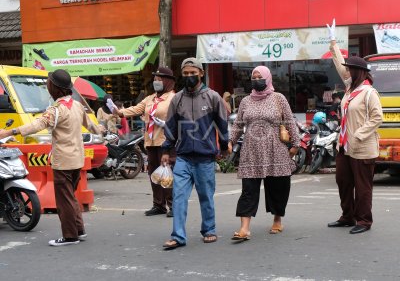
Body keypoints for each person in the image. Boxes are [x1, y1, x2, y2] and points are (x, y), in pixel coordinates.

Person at [0, 69, 102, 246]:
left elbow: (37, 125)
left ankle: (70, 236)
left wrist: (8, 132)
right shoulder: (77, 105)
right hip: (77, 159)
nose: (47, 87)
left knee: (64, 201)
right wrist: (104, 131)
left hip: (63, 161)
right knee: (71, 196)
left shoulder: (56, 110)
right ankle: (79, 229)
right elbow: (92, 126)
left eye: (48, 83)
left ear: (56, 88)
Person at [161, 57, 230, 249]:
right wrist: (166, 150)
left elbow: (222, 125)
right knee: (179, 196)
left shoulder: (213, 97)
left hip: (205, 157)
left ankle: (209, 229)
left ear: (201, 73)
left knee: (206, 196)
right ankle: (178, 236)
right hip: (183, 157)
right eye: (186, 73)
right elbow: (170, 127)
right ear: (182, 75)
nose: (190, 76)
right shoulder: (177, 99)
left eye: (193, 73)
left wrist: (224, 147)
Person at [229, 65, 300, 241]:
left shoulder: (279, 98)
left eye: (260, 77)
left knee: (278, 187)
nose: (256, 80)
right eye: (254, 77)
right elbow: (238, 124)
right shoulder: (245, 101)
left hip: (275, 149)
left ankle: (277, 219)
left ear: (268, 78)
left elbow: (290, 121)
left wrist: (296, 144)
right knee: (248, 189)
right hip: (251, 151)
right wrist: (230, 140)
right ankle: (244, 228)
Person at [327, 19, 383, 234]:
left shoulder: (369, 92)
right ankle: (347, 216)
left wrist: (358, 135)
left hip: (361, 147)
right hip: (345, 146)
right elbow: (338, 63)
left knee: (362, 187)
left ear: (359, 72)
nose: (347, 72)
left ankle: (363, 221)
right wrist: (333, 42)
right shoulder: (351, 88)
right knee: (343, 181)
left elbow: (377, 117)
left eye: (351, 69)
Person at [113, 67, 176, 217]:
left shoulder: (174, 98)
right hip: (151, 141)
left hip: (165, 141)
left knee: (166, 174)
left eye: (159, 79)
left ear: (167, 81)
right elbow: (136, 109)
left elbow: (179, 118)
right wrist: (120, 112)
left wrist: (167, 123)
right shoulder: (150, 99)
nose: (156, 82)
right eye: (155, 79)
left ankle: (173, 205)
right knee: (154, 174)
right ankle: (158, 205)